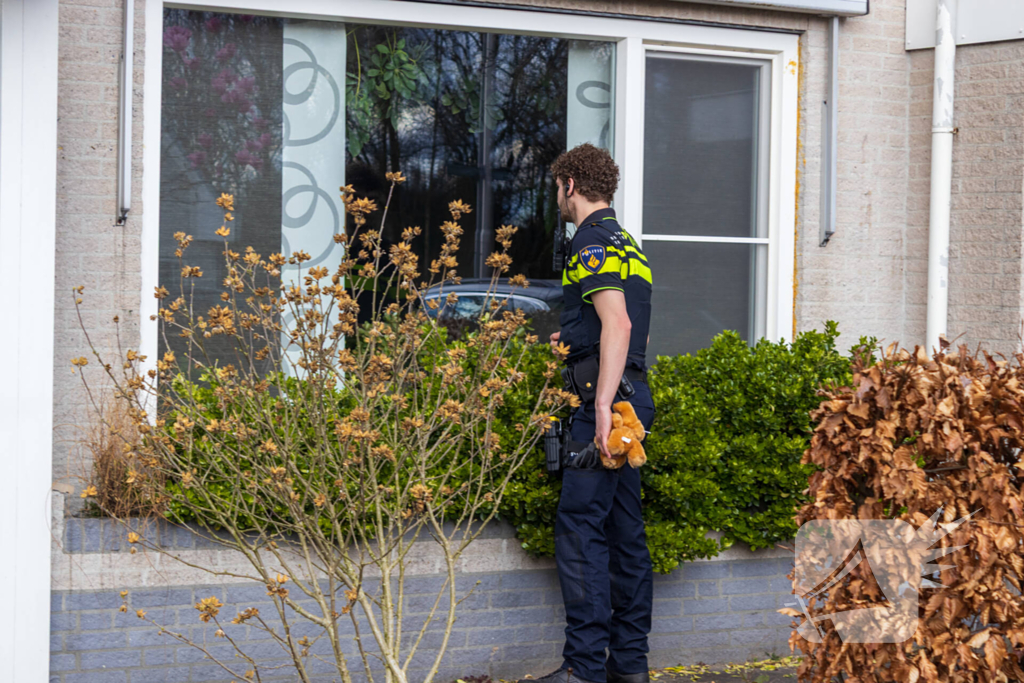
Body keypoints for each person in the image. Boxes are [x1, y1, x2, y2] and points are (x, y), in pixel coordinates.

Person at [524, 144, 655, 683]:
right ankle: (629, 667)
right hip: (633, 399)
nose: (558, 197)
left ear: (570, 185)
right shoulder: (627, 243)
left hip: (606, 405)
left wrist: (599, 405)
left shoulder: (589, 241)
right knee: (625, 533)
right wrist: (576, 336)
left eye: (558, 188)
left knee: (580, 528)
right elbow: (611, 321)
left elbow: (619, 324)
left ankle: (582, 668)